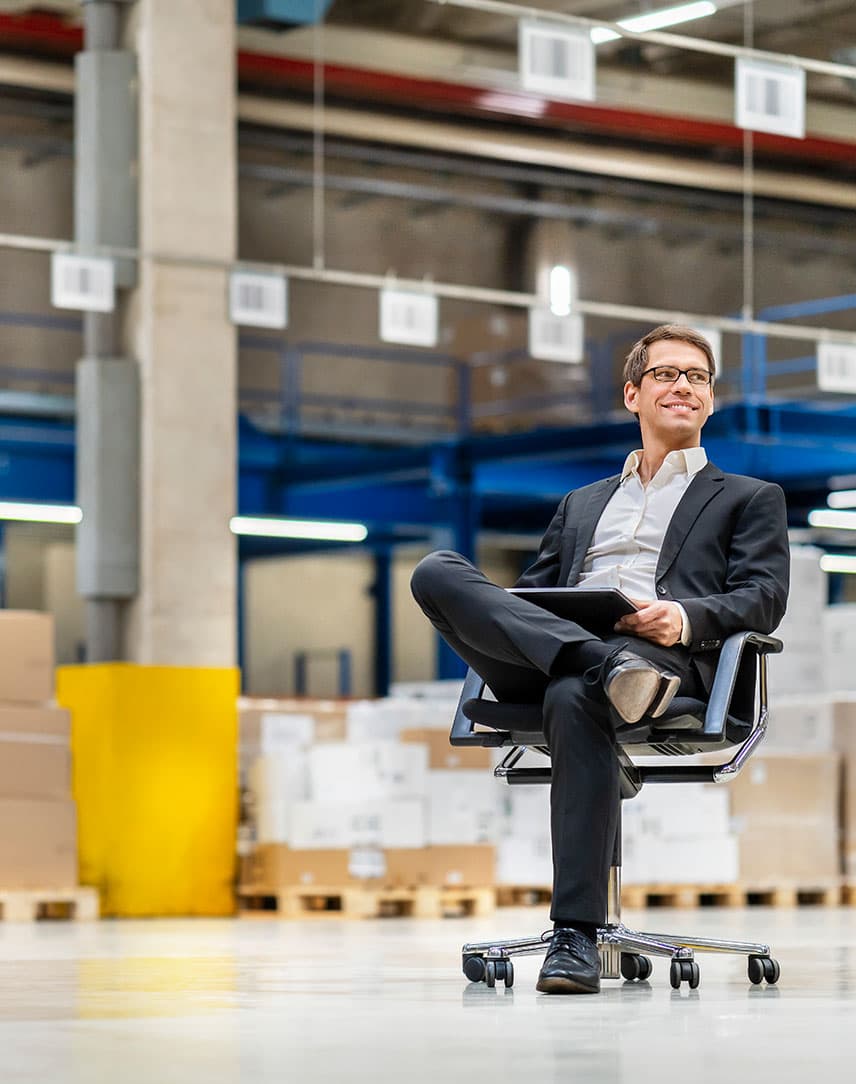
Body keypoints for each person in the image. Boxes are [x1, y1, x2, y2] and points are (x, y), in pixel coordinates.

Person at [410, 324, 789, 995]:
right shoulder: (582, 504)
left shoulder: (747, 498)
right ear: (632, 393)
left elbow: (763, 598)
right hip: (570, 649)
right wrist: (566, 635)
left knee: (569, 697)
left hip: (662, 664)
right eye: (668, 374)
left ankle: (574, 938)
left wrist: (685, 617)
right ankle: (598, 663)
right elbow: (530, 595)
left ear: (710, 401)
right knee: (437, 570)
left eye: (697, 378)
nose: (683, 387)